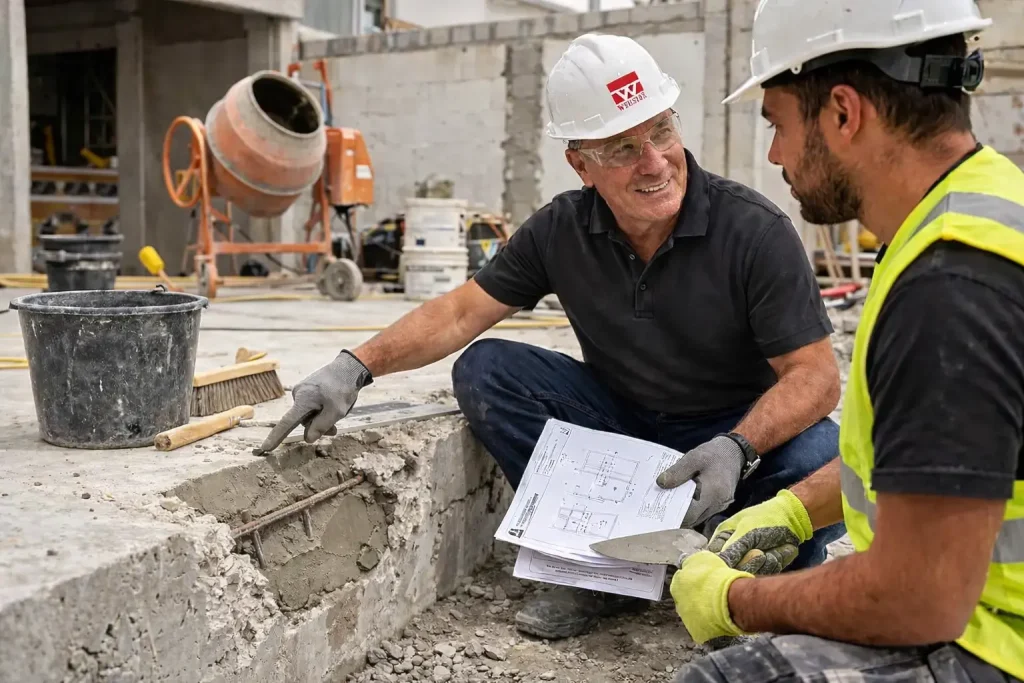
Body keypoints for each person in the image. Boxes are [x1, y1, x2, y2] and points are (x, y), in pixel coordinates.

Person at [258, 33, 846, 641]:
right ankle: (597, 568)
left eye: (661, 133)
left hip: (729, 432)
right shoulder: (562, 229)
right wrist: (355, 365)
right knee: (487, 370)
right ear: (580, 165)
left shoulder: (752, 230)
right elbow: (461, 313)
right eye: (622, 148)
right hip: (622, 423)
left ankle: (745, 576)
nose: (654, 162)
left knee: (824, 456)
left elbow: (817, 377)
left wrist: (738, 446)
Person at [668, 1, 1024, 682]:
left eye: (777, 123)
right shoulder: (973, 212)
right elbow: (932, 456)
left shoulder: (950, 286)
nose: (772, 154)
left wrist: (735, 600)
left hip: (997, 641)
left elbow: (917, 598)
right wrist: (797, 508)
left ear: (842, 112)